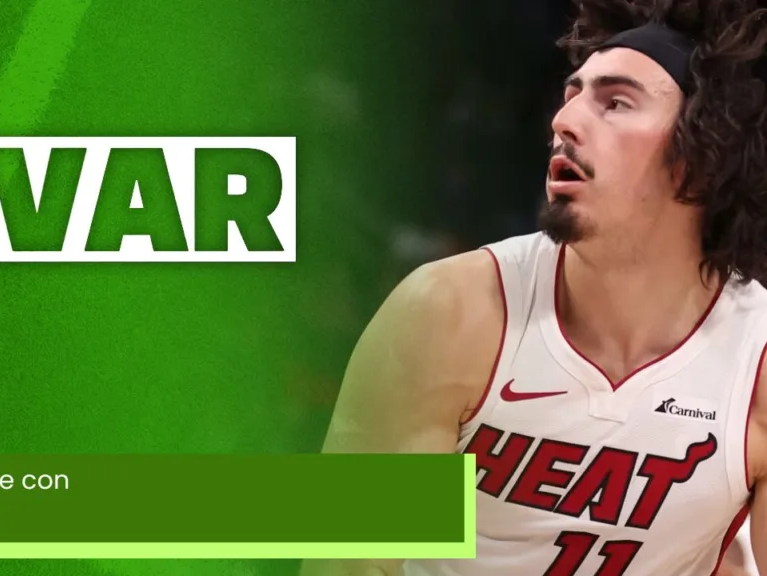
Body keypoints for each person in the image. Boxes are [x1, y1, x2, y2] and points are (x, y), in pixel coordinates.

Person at [300, 0, 767, 574]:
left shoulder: (755, 363)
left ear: (703, 154)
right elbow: (352, 560)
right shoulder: (453, 313)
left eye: (615, 103)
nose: (564, 122)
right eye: (572, 96)